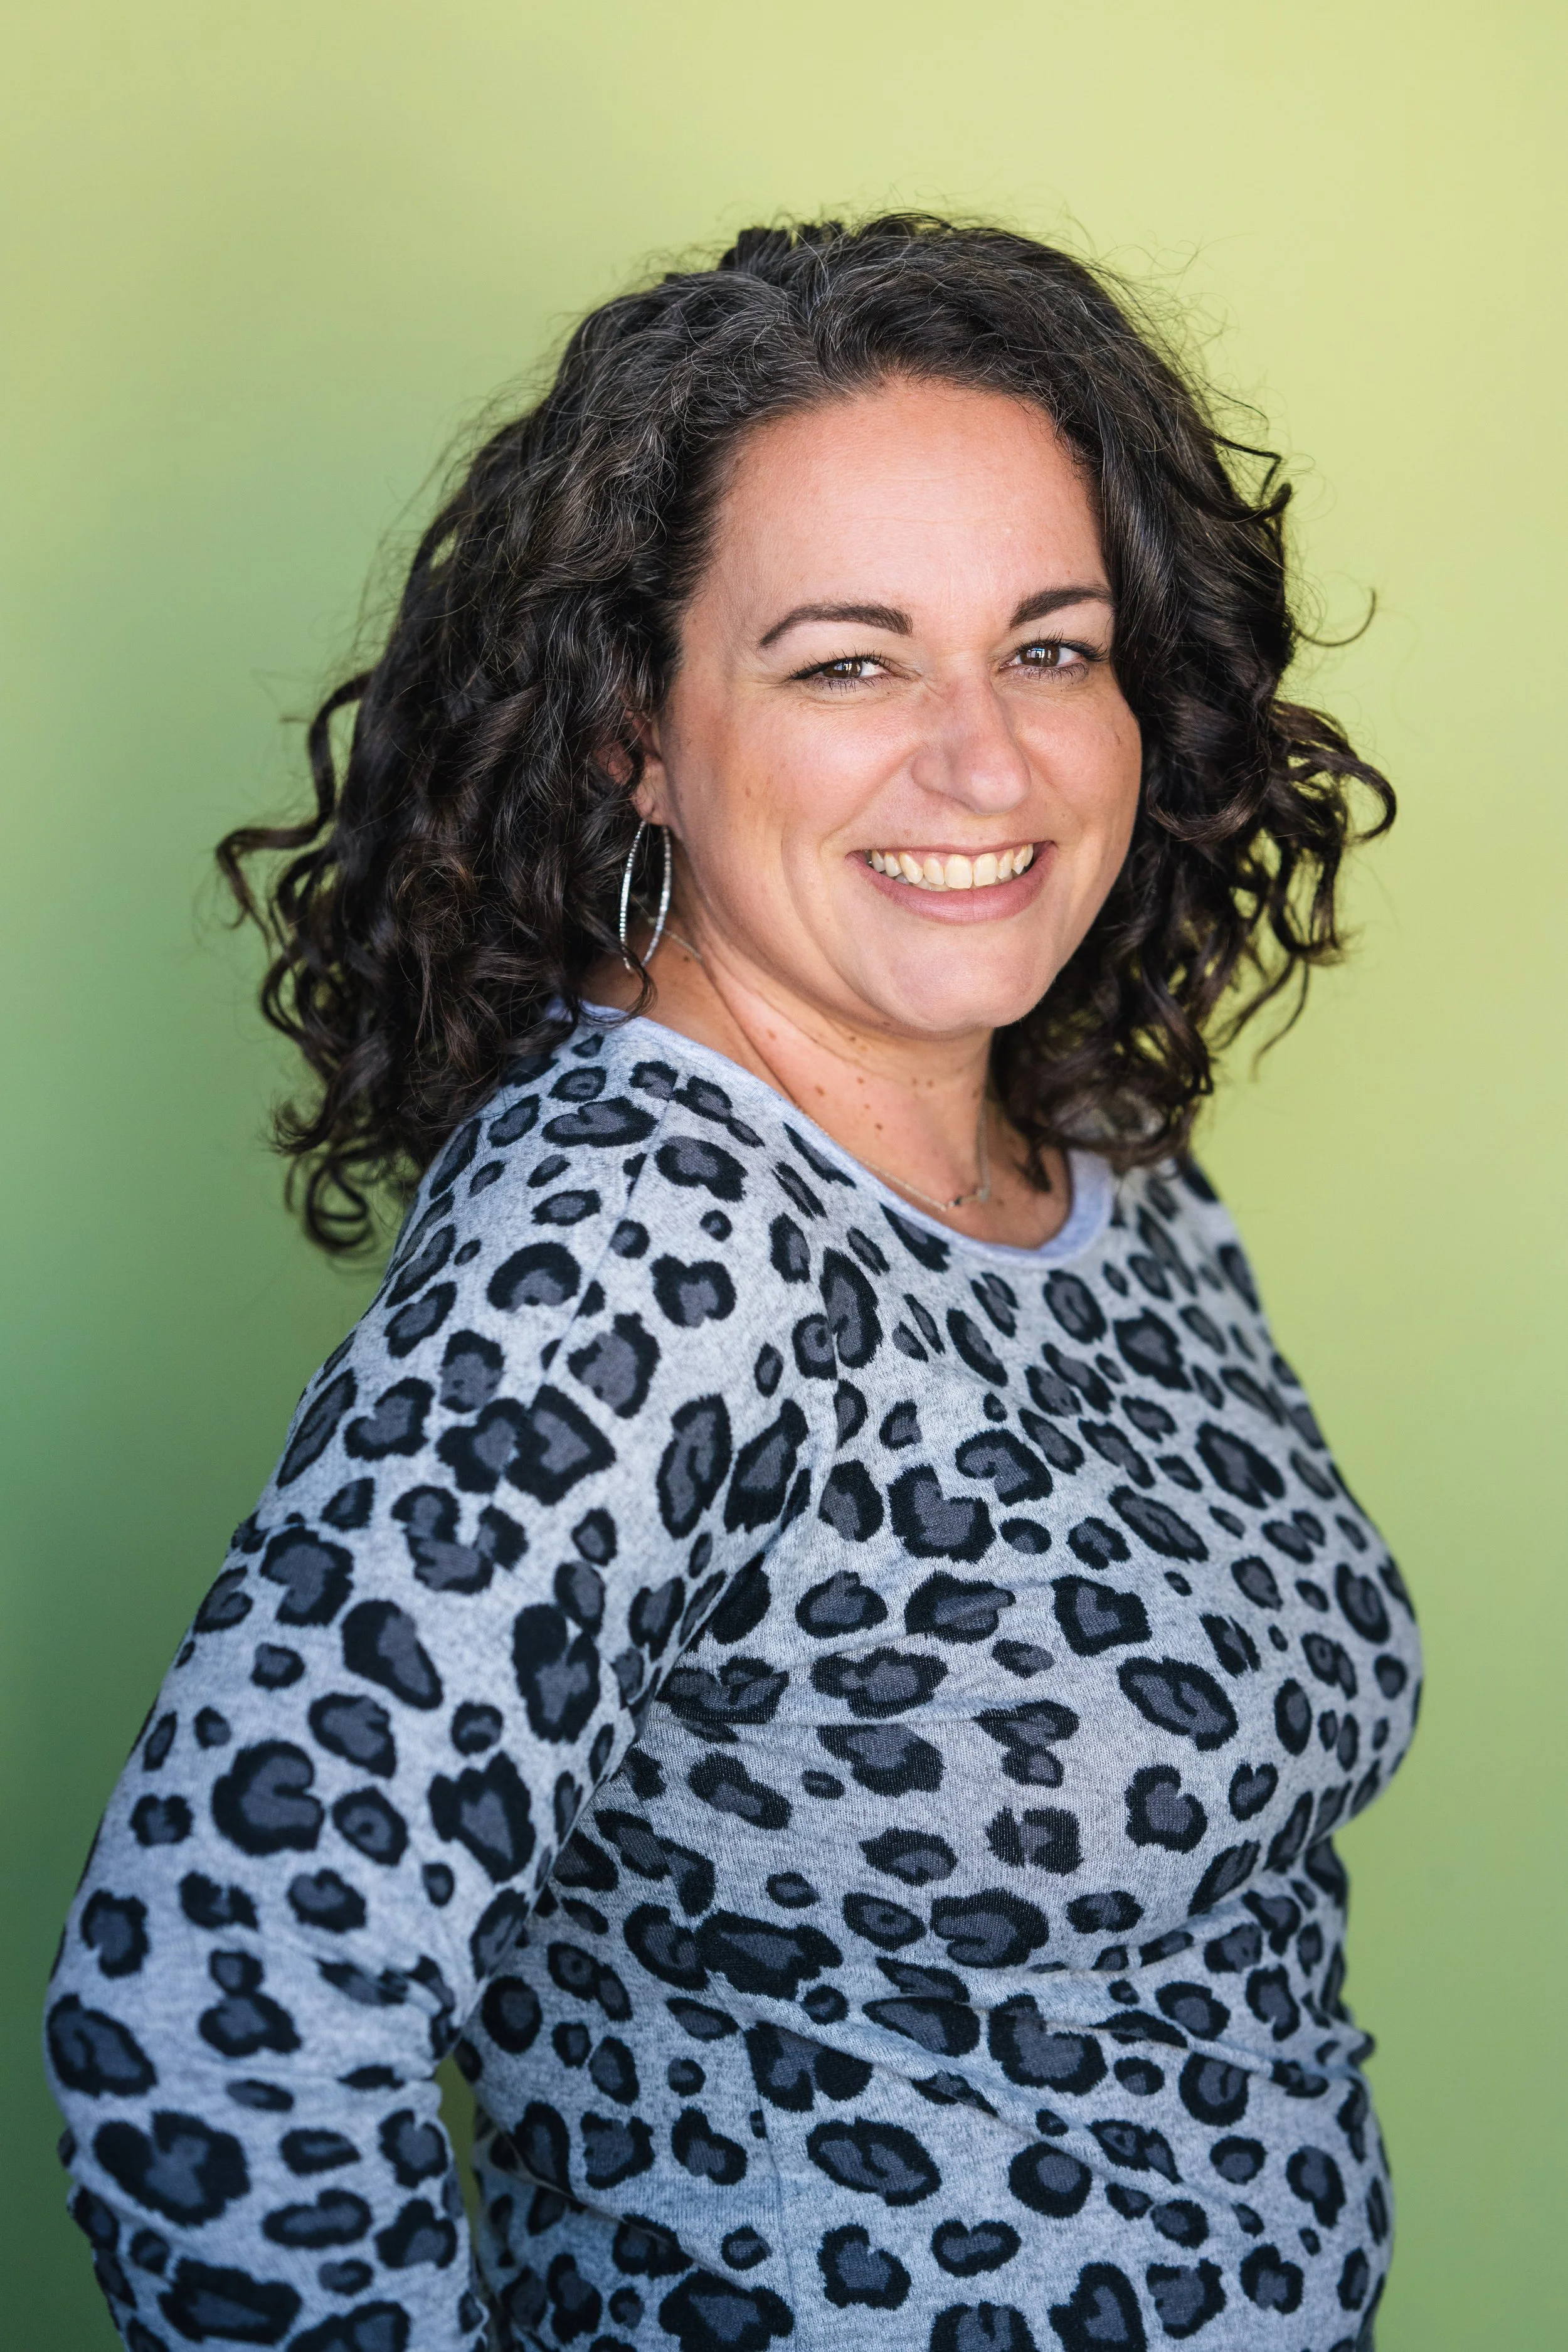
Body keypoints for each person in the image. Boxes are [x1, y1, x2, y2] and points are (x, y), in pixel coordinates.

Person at [45, 217, 1418, 2352]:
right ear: (634, 733)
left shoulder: (1099, 1155)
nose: (987, 761)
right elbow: (210, 2013)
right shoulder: (629, 1252)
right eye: (847, 662)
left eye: (1050, 649)